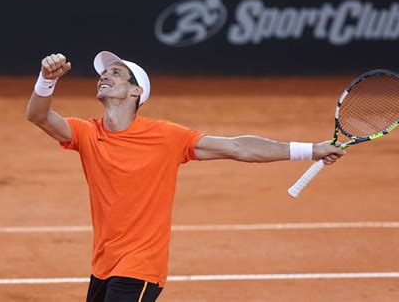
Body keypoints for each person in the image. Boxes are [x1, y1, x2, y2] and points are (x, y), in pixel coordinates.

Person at [26, 52, 345, 302]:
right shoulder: (86, 132)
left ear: (136, 91)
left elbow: (237, 147)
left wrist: (310, 150)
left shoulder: (166, 136)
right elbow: (38, 115)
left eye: (116, 72)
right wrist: (46, 79)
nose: (104, 77)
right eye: (104, 73)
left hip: (141, 267)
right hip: (103, 265)